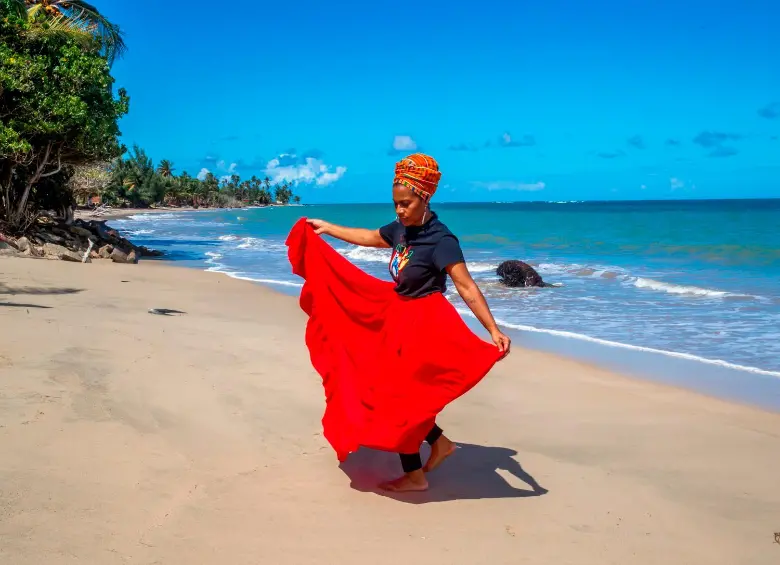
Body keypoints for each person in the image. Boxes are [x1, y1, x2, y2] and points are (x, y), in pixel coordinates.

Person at [304, 153, 511, 492]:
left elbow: (465, 286)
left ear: (424, 198)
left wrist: (492, 329)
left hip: (425, 323)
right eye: (396, 204)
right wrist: (329, 229)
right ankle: (439, 444)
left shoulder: (441, 240)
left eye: (406, 204)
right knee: (392, 393)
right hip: (399, 316)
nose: (399, 211)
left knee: (398, 398)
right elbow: (372, 236)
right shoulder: (401, 229)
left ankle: (416, 475)